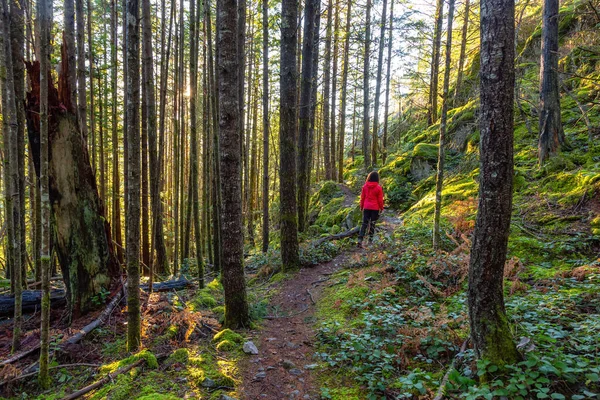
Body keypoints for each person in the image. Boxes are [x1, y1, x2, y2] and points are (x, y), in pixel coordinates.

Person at [357, 171, 384, 248]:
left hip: (366, 207)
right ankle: (370, 240)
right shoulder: (378, 188)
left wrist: (361, 206)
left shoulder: (365, 187)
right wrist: (381, 208)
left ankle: (360, 239)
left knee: (364, 223)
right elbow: (380, 200)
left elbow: (362, 198)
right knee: (372, 223)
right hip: (375, 208)